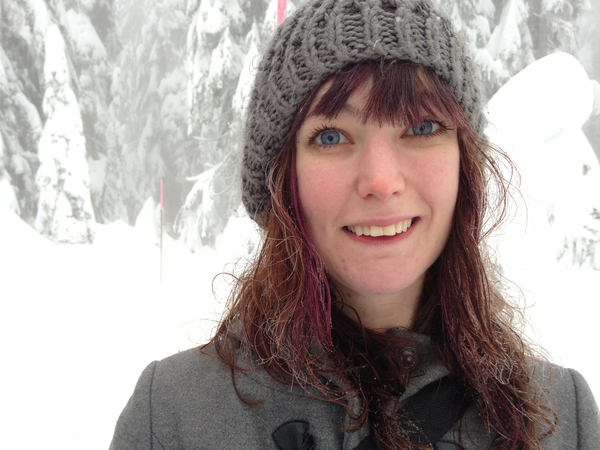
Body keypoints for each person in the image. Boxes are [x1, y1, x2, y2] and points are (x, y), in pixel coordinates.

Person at [110, 0, 600, 449]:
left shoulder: (561, 417)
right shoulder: (171, 416)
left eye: (422, 127)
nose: (381, 182)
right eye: (331, 136)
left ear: (463, 165)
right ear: (284, 179)